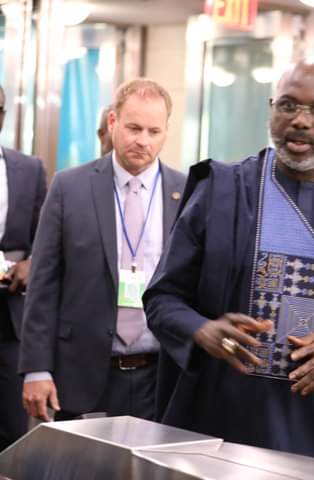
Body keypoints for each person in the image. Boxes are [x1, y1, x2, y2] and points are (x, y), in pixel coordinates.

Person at [143, 56, 314, 467]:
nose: (300, 120)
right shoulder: (224, 192)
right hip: (222, 435)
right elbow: (162, 299)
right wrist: (202, 330)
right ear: (271, 109)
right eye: (287, 105)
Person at [19, 79, 186, 422]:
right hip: (80, 372)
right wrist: (36, 368)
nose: (143, 140)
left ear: (166, 131)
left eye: (154, 131)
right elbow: (43, 284)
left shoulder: (186, 193)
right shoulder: (70, 186)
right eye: (134, 128)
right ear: (112, 122)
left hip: (159, 376)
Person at [0, 85, 47, 450]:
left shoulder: (29, 169)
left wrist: (32, 263)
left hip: (10, 317)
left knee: (10, 431)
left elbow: (45, 242)